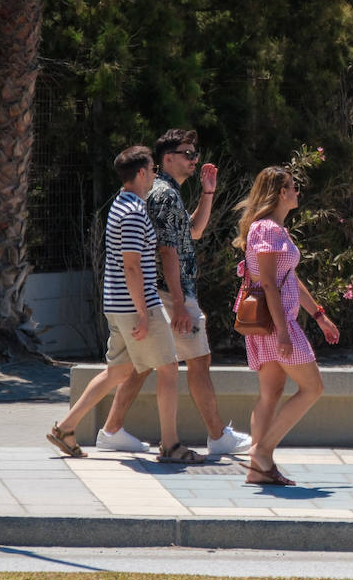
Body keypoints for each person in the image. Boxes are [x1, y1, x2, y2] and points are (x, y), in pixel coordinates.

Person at [95, 129, 251, 455]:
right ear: (168, 158)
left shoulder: (170, 193)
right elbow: (167, 251)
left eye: (195, 153)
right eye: (187, 153)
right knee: (198, 358)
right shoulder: (164, 194)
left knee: (148, 363)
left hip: (169, 291)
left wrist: (208, 193)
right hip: (171, 292)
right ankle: (216, 436)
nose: (195, 159)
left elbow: (191, 233)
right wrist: (179, 303)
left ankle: (111, 430)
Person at [46, 147, 205, 464]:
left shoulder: (122, 204)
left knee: (117, 371)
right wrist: (145, 315)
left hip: (119, 305)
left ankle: (65, 428)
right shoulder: (133, 212)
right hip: (136, 306)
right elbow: (132, 267)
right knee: (169, 368)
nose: (156, 175)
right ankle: (171, 445)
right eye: (153, 169)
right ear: (143, 173)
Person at [233, 166, 339, 486]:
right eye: (292, 187)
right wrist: (282, 331)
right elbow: (268, 283)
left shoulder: (273, 229)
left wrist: (319, 316)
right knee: (313, 387)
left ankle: (258, 470)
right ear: (281, 193)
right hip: (274, 323)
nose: (297, 193)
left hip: (269, 322)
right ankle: (262, 452)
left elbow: (288, 277)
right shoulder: (268, 230)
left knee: (271, 393)